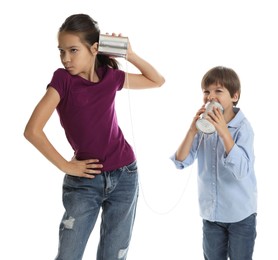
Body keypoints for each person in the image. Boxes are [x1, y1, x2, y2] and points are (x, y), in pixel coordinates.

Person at [24, 13, 165, 260]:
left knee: (114, 255)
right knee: (68, 254)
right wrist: (66, 166)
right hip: (84, 180)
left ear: (94, 48)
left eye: (73, 50)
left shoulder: (111, 78)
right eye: (61, 51)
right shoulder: (63, 80)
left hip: (125, 175)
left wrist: (129, 54)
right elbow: (32, 130)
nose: (66, 58)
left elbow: (157, 81)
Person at [170, 66, 257, 260]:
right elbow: (181, 161)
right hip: (212, 216)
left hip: (240, 216)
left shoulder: (243, 128)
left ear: (235, 96)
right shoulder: (204, 126)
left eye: (218, 91)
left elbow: (242, 170)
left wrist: (224, 132)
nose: (211, 96)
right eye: (206, 92)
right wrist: (192, 130)